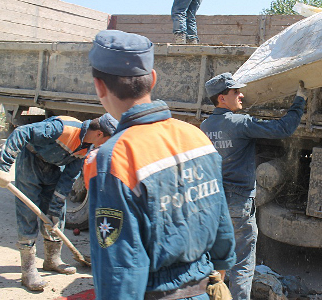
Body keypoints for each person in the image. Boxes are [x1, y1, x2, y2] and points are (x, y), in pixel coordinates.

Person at [84, 29, 236, 299]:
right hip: (208, 288)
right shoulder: (195, 136)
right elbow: (220, 215)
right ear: (152, 79)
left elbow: (120, 267)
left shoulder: (114, 158)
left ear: (99, 86)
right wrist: (221, 266)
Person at [200, 72, 307, 300]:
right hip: (239, 204)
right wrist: (300, 100)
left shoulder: (205, 127)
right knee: (242, 264)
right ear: (222, 98)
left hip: (214, 205)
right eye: (235, 92)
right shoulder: (240, 124)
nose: (242, 95)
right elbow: (283, 129)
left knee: (215, 260)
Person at [0, 112, 117, 291]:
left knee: (57, 215)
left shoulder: (87, 146)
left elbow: (69, 177)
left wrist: (55, 208)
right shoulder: (62, 128)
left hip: (52, 166)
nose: (106, 146)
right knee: (28, 212)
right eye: (107, 141)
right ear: (99, 134)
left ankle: (52, 260)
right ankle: (28, 271)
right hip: (31, 160)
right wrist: (4, 165)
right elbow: (22, 132)